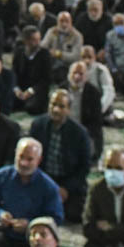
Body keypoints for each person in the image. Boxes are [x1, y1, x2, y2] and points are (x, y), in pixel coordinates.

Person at [28, 90, 92, 221]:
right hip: (43, 177)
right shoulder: (38, 125)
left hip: (67, 180)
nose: (56, 109)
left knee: (74, 214)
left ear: (69, 110)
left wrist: (66, 188)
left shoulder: (79, 133)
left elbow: (84, 167)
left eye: (61, 106)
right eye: (53, 104)